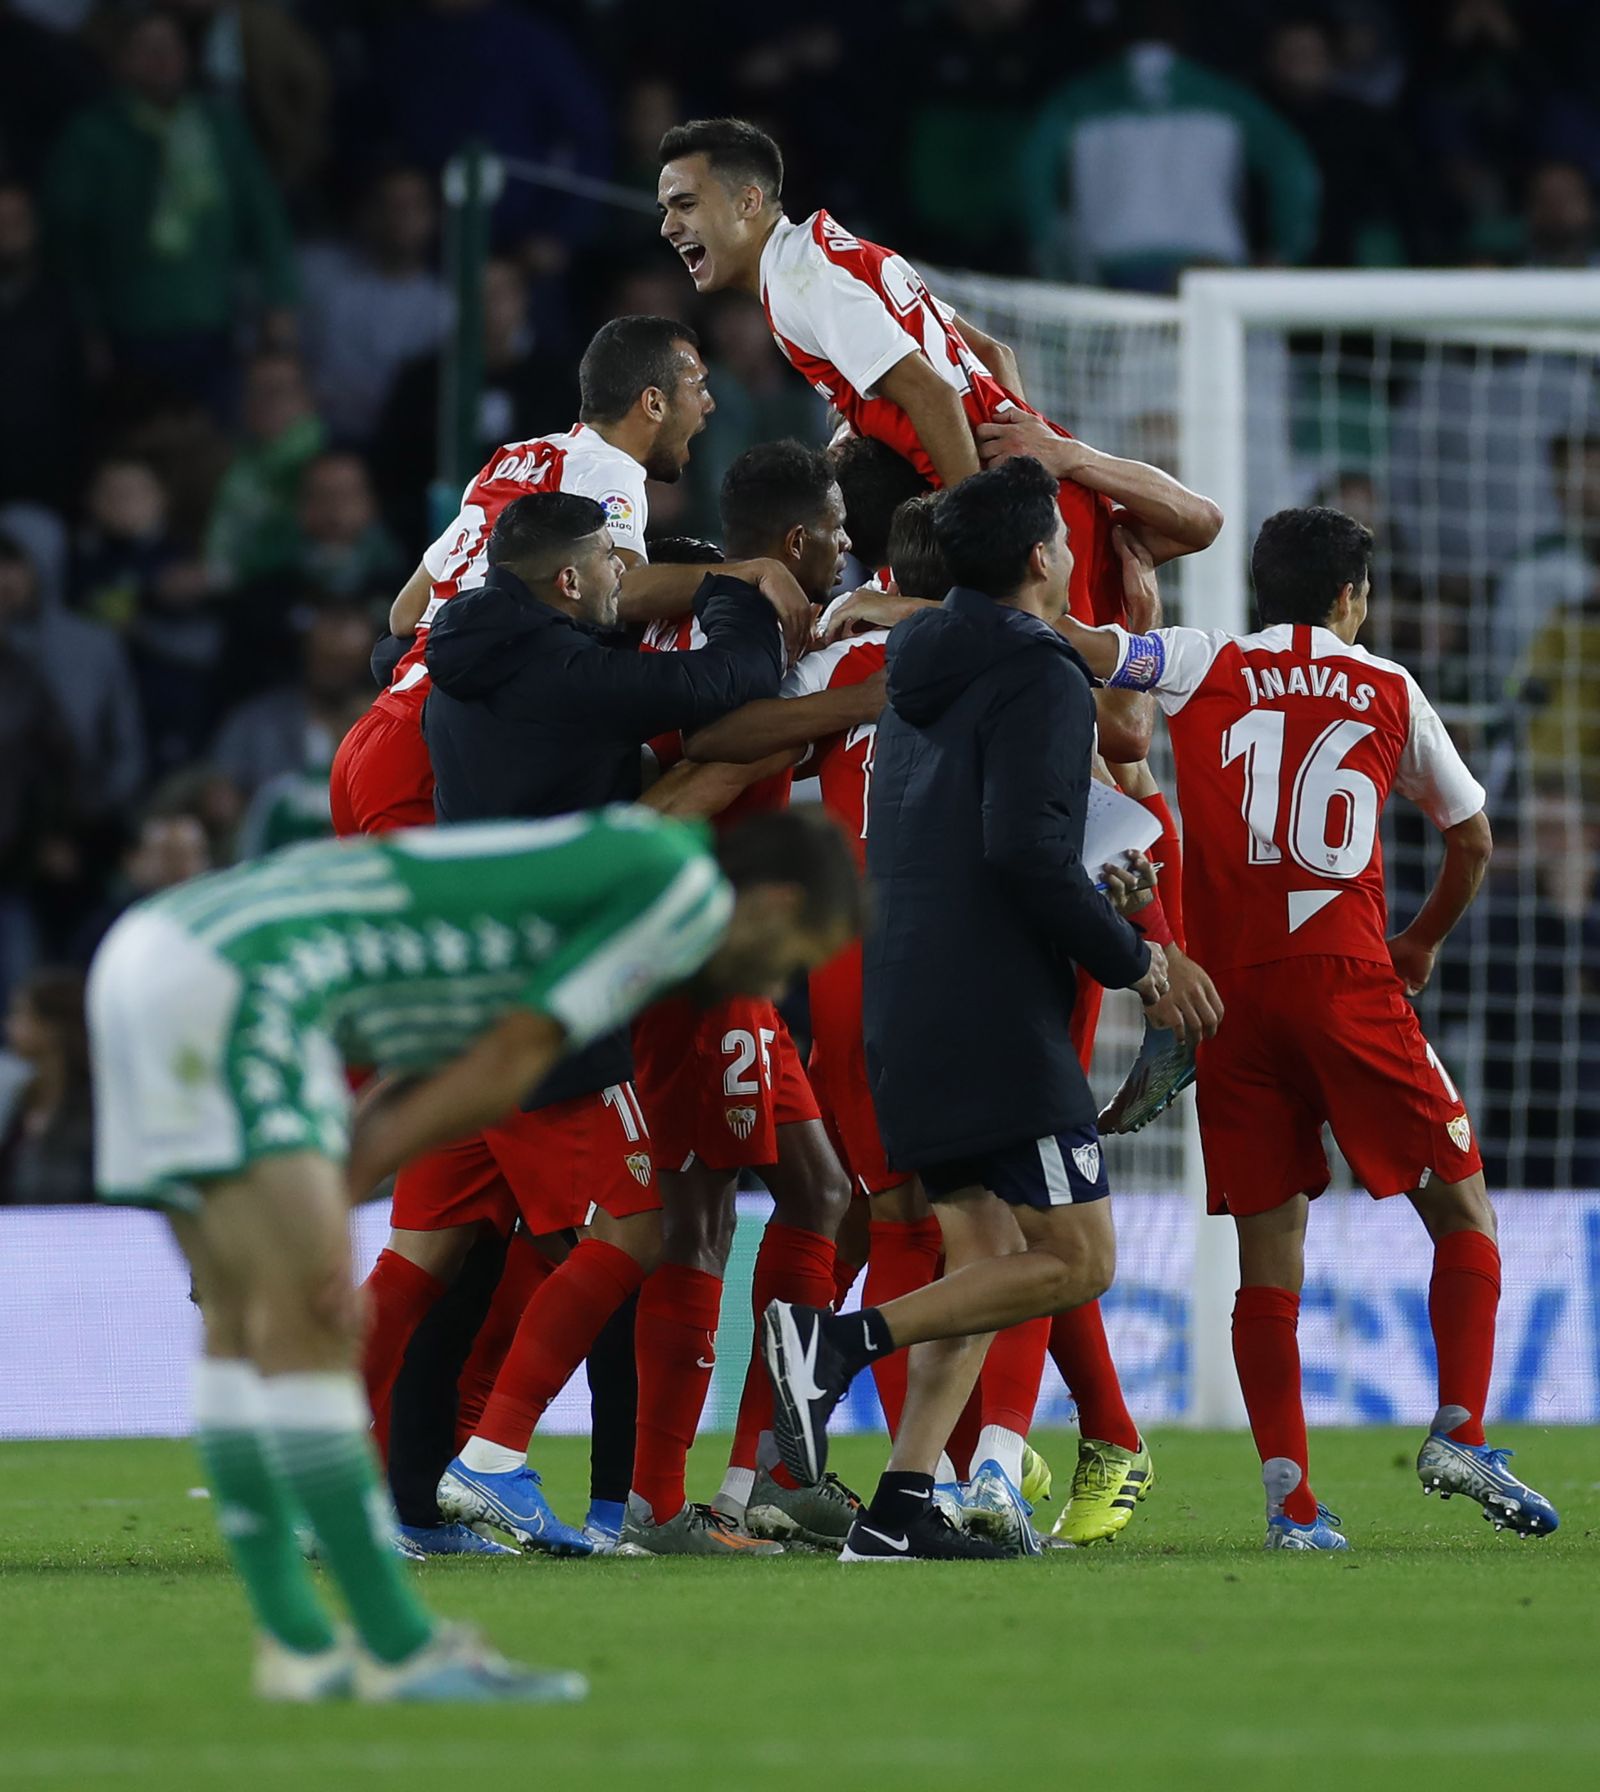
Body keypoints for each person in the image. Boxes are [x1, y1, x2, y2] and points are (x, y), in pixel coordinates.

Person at [88, 802, 862, 1700]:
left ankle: (299, 1643)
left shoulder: (613, 861)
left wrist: (342, 1180)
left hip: (162, 951)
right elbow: (514, 1056)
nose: (778, 985)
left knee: (241, 1327)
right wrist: (338, 1195)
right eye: (795, 957)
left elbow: (438, 1055)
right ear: (774, 902)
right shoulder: (681, 892)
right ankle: (396, 1649)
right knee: (305, 1325)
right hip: (248, 981)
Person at [1056, 505, 1559, 1548]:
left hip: (1228, 998)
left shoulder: (1200, 659)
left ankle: (1289, 1504)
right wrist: (1418, 944)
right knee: (1462, 1207)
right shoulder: (1386, 685)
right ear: (1348, 596)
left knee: (1267, 1248)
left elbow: (1088, 646)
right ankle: (1461, 1431)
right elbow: (1471, 839)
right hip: (1346, 978)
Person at [762, 456, 1196, 1560]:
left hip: (903, 995)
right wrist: (1137, 960)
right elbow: (1026, 853)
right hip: (996, 1011)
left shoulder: (913, 660)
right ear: (1043, 556)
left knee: (983, 1261)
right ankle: (836, 1345)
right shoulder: (1041, 673)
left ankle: (899, 1511)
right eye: (1064, 538)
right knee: (1079, 1260)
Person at [415, 489, 793, 1560]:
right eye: (613, 568)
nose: (628, 582)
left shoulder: (472, 657)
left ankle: (399, 1480)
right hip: (548, 983)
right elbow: (720, 682)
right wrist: (735, 587)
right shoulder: (560, 671)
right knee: (631, 1229)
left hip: (480, 979)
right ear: (570, 578)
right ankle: (491, 1459)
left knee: (471, 1254)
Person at [626, 440, 859, 1552]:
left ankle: (768, 1469)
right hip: (697, 956)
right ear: (795, 539)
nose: (846, 548)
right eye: (837, 530)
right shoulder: (741, 632)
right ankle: (657, 1500)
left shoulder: (721, 618)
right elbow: (717, 750)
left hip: (739, 964)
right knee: (698, 1219)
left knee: (821, 1191)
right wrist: (857, 695)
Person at [331, 313, 808, 838]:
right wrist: (751, 572)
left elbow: (404, 615)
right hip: (427, 753)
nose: (709, 403)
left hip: (371, 737)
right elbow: (626, 592)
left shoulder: (511, 461)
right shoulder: (610, 469)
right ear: (653, 403)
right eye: (698, 386)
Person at [0, 967, 93, 1206]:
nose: (8, 1025)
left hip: (79, 1222)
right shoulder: (23, 1099)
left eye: (21, 1014)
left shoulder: (92, 1109)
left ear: (52, 1027)